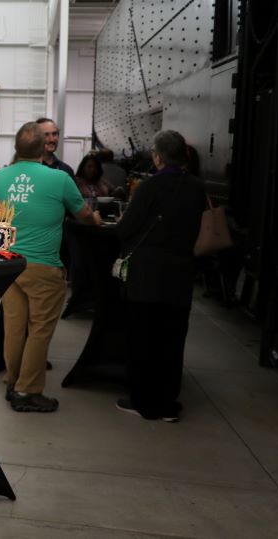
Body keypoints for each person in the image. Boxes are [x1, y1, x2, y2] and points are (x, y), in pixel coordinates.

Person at [0, 121, 100, 412]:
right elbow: (84, 214)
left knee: (14, 327)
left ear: (16, 147)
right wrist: (96, 220)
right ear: (44, 148)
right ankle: (27, 391)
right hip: (43, 265)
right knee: (39, 329)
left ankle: (13, 382)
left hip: (8, 263)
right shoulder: (58, 178)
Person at [115, 130, 205, 422]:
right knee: (172, 339)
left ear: (157, 156)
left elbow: (126, 228)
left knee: (143, 338)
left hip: (147, 274)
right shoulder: (196, 187)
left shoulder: (149, 187)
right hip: (180, 273)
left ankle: (143, 400)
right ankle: (167, 403)